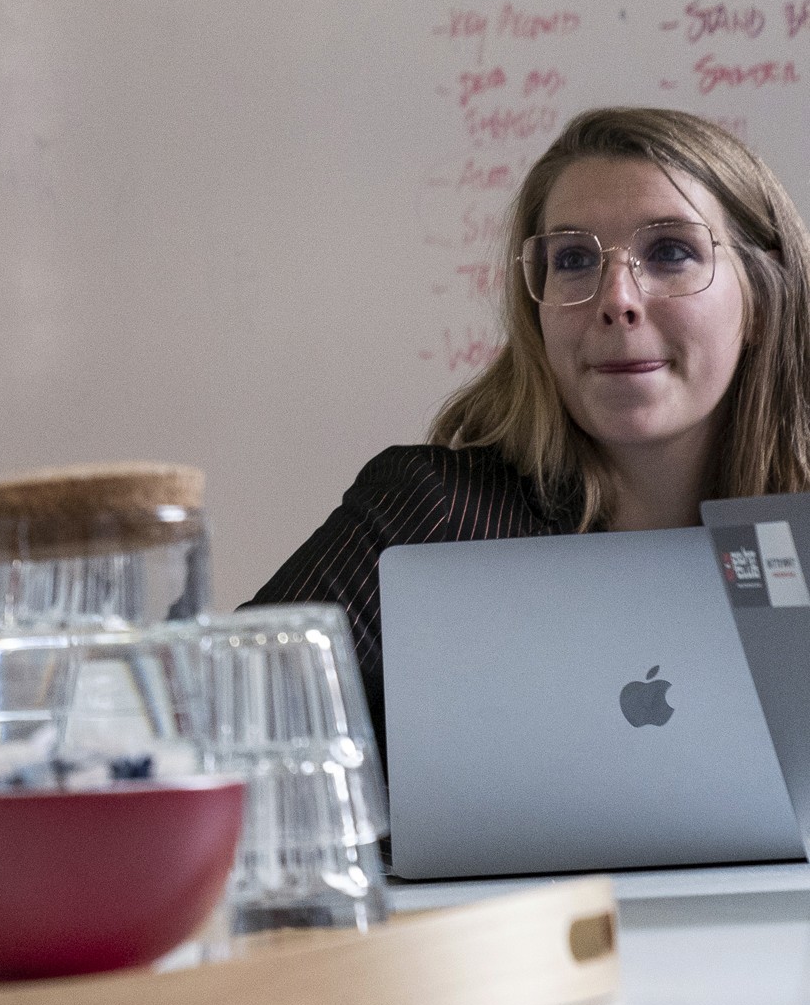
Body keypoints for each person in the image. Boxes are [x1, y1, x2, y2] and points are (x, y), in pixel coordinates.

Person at [253, 105, 810, 747]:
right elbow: (211, 722)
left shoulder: (793, 546)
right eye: (573, 259)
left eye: (670, 251)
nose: (617, 300)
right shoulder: (430, 516)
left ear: (764, 297)